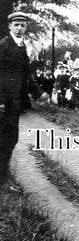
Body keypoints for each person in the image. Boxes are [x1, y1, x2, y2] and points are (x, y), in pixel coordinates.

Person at [0, 12, 48, 188]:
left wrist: (39, 94)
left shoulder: (21, 47)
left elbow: (27, 75)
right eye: (16, 25)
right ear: (10, 26)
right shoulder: (4, 46)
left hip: (15, 103)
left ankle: (4, 178)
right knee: (5, 140)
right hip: (4, 103)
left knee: (10, 139)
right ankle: (3, 181)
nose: (19, 28)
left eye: (22, 25)